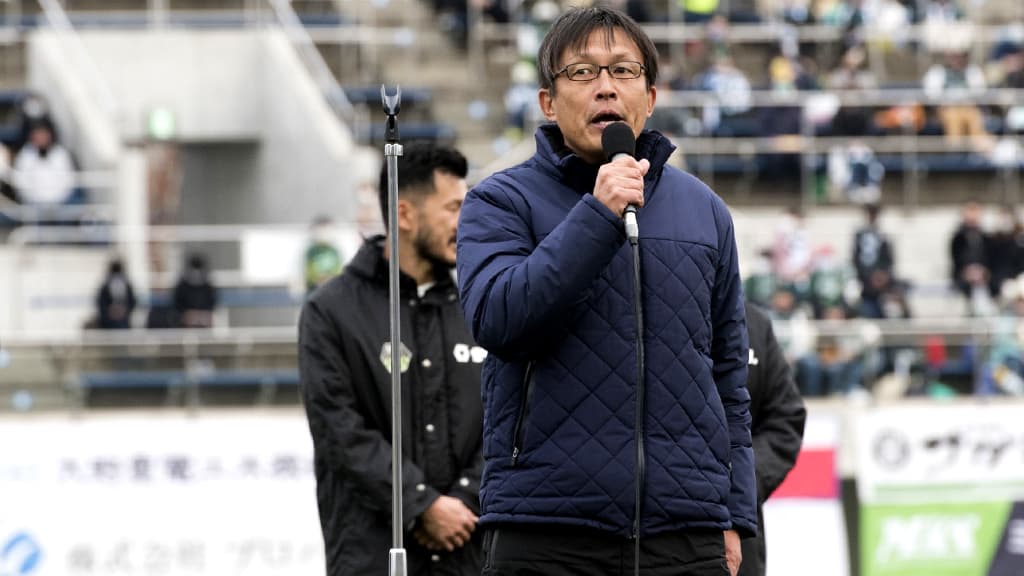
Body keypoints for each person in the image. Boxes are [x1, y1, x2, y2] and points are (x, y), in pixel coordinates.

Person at [456, 7, 755, 575]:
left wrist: (735, 512)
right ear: (548, 102)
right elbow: (499, 320)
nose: (605, 87)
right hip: (546, 529)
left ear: (651, 96)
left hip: (685, 532)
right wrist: (597, 215)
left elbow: (728, 376)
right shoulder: (499, 202)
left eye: (623, 71)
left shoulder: (705, 210)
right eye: (582, 72)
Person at [298, 142, 484, 576]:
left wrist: (464, 500)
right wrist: (421, 506)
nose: (465, 221)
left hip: (471, 554)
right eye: (453, 208)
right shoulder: (331, 312)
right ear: (405, 215)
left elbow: (509, 422)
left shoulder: (482, 305)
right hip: (372, 558)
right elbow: (339, 431)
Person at [739, 302, 806, 576]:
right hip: (655, 530)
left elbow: (786, 418)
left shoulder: (754, 322)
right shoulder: (645, 311)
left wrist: (744, 476)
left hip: (738, 529)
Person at [173, 253, 218, 328]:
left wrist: (203, 315)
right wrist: (187, 315)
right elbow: (178, 306)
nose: (196, 273)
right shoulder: (182, 286)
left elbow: (212, 304)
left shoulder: (208, 287)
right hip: (185, 324)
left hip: (205, 321)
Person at [95, 258, 136, 329]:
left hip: (123, 321)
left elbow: (132, 302)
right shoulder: (105, 286)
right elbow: (101, 303)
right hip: (108, 323)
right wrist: (110, 312)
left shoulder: (127, 285)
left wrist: (123, 311)